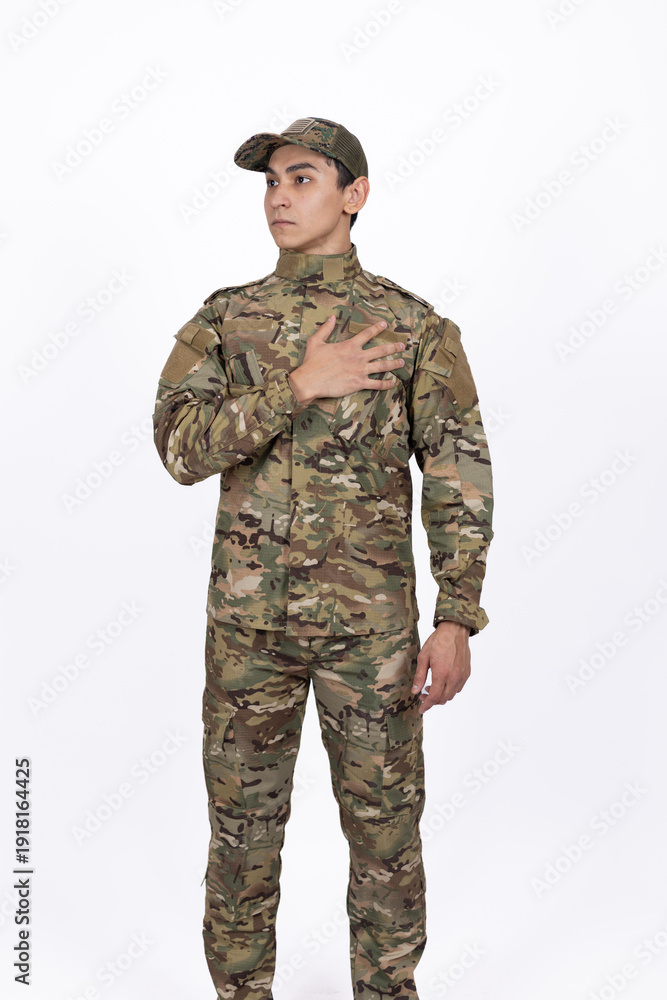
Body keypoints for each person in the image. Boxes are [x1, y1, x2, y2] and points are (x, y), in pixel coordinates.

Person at [152, 116, 494, 1000]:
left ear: (354, 195)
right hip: (249, 633)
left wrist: (457, 616)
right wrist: (297, 384)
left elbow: (457, 474)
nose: (278, 196)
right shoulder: (224, 321)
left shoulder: (413, 328)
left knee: (386, 843)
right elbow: (179, 449)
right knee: (241, 842)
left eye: (301, 178)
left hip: (370, 638)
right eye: (271, 182)